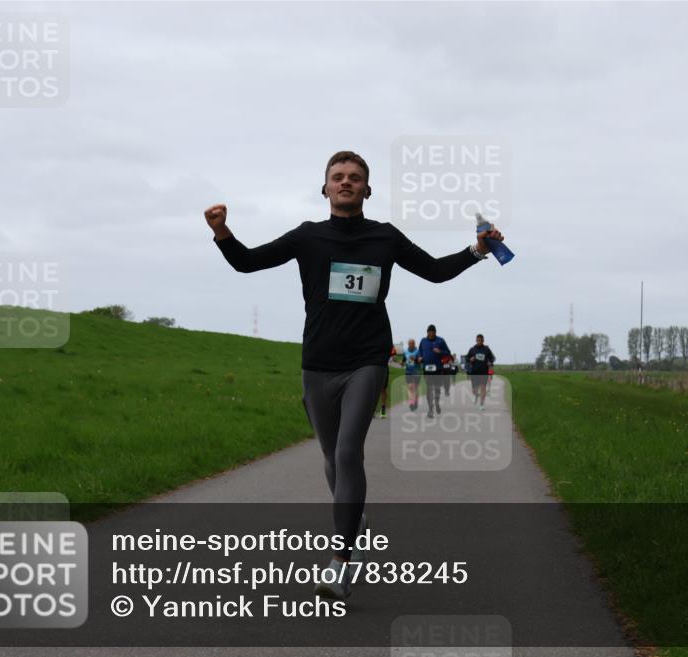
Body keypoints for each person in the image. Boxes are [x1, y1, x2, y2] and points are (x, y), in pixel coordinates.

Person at [205, 151, 504, 601]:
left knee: (348, 452)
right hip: (317, 363)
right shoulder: (308, 237)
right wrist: (222, 231)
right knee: (330, 455)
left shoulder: (384, 237)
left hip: (366, 361)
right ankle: (353, 518)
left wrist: (477, 250)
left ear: (367, 190)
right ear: (325, 188)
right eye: (338, 177)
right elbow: (248, 262)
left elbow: (436, 272)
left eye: (355, 178)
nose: (346, 182)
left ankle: (340, 561)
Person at [417, 324, 451, 418]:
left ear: (435, 332)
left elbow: (448, 352)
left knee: (436, 388)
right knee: (429, 388)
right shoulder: (423, 341)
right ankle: (430, 409)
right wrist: (420, 357)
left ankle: (436, 402)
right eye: (430, 332)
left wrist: (440, 352)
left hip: (438, 368)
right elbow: (419, 351)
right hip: (427, 368)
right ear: (427, 332)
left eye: (433, 332)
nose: (431, 334)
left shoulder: (440, 340)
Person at [465, 334, 496, 409]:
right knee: (474, 390)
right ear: (476, 340)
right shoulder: (472, 349)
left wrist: (490, 362)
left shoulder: (486, 349)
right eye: (478, 340)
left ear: (483, 341)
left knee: (483, 388)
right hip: (474, 372)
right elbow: (466, 358)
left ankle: (481, 404)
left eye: (481, 340)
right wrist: (470, 359)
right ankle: (476, 395)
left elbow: (492, 358)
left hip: (483, 371)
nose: (479, 341)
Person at [375, 344, 396, 419]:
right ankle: (371, 410)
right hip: (371, 368)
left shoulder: (385, 340)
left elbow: (393, 352)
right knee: (371, 390)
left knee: (383, 389)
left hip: (383, 367)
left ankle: (383, 410)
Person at [402, 338, 421, 410]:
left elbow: (420, 361)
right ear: (408, 344)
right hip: (408, 372)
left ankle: (415, 401)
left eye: (412, 343)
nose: (411, 345)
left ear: (414, 344)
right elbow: (403, 361)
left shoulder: (418, 352)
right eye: (410, 343)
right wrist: (402, 363)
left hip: (417, 371)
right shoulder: (406, 352)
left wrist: (415, 359)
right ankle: (412, 402)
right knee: (410, 387)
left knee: (415, 388)